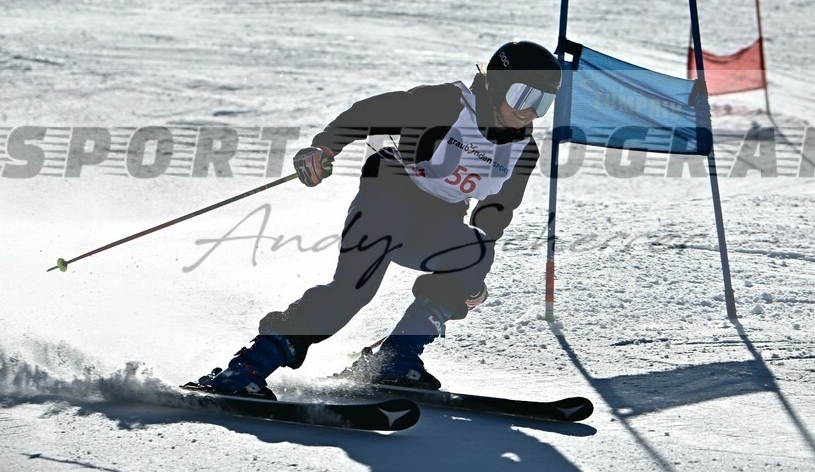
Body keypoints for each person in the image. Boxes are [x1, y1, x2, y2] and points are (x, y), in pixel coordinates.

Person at [197, 40, 562, 397]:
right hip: (386, 202)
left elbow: (497, 211)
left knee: (477, 252)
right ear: (497, 85)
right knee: (351, 294)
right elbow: (366, 113)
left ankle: (395, 360)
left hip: (437, 223)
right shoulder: (445, 104)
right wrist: (324, 147)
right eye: (523, 96)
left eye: (543, 103)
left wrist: (470, 277)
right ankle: (248, 367)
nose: (530, 111)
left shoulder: (522, 151)